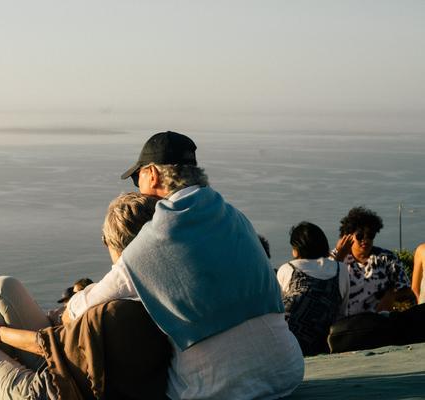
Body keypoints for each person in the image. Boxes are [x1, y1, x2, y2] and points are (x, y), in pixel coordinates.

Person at [65, 131, 304, 399]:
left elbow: (83, 307)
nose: (137, 187)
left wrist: (70, 304)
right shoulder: (235, 217)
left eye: (137, 178)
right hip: (287, 371)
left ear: (153, 174)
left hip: (218, 391)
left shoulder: (153, 240)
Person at [0, 192, 170, 400]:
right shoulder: (165, 280)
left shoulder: (108, 295)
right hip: (76, 374)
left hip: (52, 391)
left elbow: (46, 341)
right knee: (3, 288)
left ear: (109, 241)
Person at [277, 221, 349, 355]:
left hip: (289, 348)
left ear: (296, 250)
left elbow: (276, 310)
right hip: (325, 347)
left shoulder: (288, 269)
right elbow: (341, 313)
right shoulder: (341, 269)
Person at [333, 206, 416, 314]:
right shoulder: (334, 258)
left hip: (377, 324)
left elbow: (406, 290)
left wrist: (391, 295)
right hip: (344, 325)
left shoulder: (387, 259)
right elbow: (324, 287)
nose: (365, 240)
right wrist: (339, 257)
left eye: (370, 235)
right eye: (360, 236)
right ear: (348, 236)